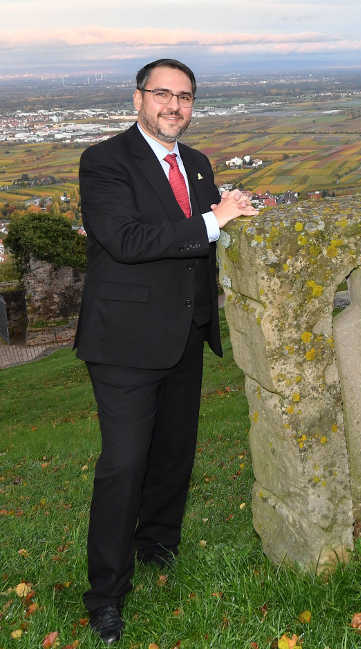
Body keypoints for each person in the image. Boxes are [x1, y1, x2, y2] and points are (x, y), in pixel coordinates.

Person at [74, 58, 258, 644]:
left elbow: (201, 236)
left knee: (176, 452)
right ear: (138, 99)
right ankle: (106, 594)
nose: (174, 106)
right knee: (124, 464)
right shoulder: (104, 162)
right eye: (162, 94)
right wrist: (212, 218)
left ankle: (158, 545)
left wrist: (235, 214)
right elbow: (127, 240)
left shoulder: (198, 164)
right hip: (125, 344)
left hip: (185, 334)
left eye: (185, 97)